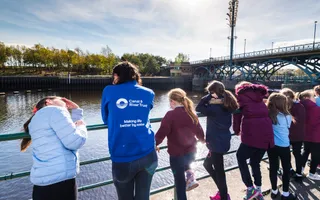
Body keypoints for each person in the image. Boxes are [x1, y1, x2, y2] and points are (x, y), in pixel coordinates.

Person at [101, 61, 158, 200]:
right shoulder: (149, 93)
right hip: (148, 153)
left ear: (116, 76)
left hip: (122, 155)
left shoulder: (109, 90)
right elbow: (145, 113)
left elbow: (105, 118)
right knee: (143, 197)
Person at [21, 96, 87, 200]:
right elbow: (75, 141)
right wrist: (81, 125)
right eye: (62, 100)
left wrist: (76, 111)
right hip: (60, 183)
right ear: (48, 102)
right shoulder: (55, 110)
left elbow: (67, 131)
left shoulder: (36, 119)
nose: (65, 102)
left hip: (41, 184)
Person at [155, 88, 205, 200]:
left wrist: (155, 143)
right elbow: (199, 131)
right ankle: (190, 175)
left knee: (179, 181)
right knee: (187, 167)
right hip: (191, 151)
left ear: (172, 101)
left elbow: (162, 132)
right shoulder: (191, 113)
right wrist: (202, 140)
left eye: (170, 102)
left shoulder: (170, 115)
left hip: (176, 154)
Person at [195, 81, 238, 200]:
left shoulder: (213, 107)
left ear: (213, 92)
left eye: (210, 92)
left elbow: (198, 107)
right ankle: (222, 192)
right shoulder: (228, 104)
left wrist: (208, 96)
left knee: (219, 171)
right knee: (207, 164)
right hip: (223, 140)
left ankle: (224, 196)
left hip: (215, 143)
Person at [233, 81, 274, 200]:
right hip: (266, 135)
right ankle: (259, 190)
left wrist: (236, 131)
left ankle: (250, 188)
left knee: (240, 157)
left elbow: (237, 116)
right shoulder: (260, 97)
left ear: (240, 90)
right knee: (255, 162)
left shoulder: (241, 97)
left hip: (252, 135)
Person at [266, 93, 297, 200]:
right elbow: (288, 127)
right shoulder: (287, 116)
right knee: (286, 169)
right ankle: (285, 193)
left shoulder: (268, 115)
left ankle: (274, 191)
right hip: (284, 145)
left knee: (273, 168)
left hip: (271, 146)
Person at [280, 88, 305, 181]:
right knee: (297, 154)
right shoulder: (300, 107)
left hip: (286, 135)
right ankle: (299, 174)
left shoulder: (283, 107)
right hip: (299, 135)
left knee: (286, 154)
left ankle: (289, 169)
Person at [297, 90, 320, 180]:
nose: (315, 98)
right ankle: (312, 173)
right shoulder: (317, 109)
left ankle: (301, 169)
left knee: (305, 151)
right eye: (313, 97)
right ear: (307, 98)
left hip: (304, 134)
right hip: (317, 135)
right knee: (316, 155)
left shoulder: (299, 107)